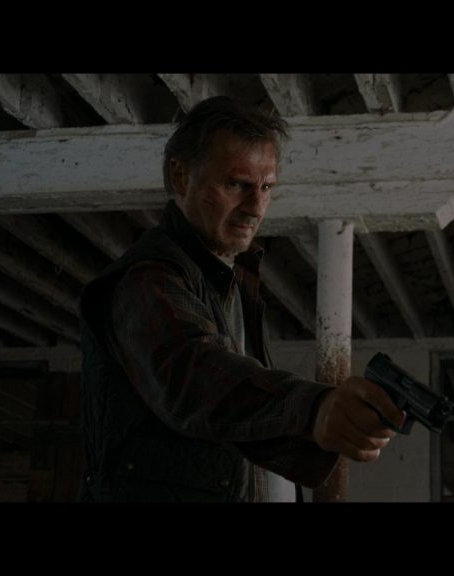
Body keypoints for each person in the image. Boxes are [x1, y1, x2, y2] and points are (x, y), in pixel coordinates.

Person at [78, 95, 404, 502]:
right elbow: (194, 375)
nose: (256, 207)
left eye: (267, 187)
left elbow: (237, 420)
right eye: (236, 185)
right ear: (180, 176)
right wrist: (313, 408)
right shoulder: (147, 281)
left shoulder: (228, 280)